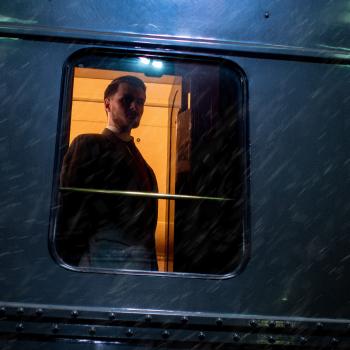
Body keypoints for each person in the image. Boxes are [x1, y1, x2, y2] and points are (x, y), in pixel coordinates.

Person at [56, 76, 158, 271]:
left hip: (136, 268)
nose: (135, 107)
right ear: (107, 104)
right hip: (101, 263)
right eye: (126, 99)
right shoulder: (88, 144)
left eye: (140, 102)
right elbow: (71, 209)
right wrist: (71, 266)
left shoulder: (146, 168)